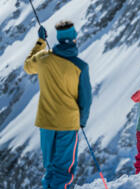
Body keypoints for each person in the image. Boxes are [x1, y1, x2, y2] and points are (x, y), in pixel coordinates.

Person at [24, 20, 92, 189]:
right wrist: (81, 122)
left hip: (46, 123)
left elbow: (27, 66)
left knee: (50, 168)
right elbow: (86, 99)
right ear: (74, 38)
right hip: (68, 124)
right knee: (63, 171)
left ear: (59, 39)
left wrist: (40, 43)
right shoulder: (80, 66)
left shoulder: (43, 59)